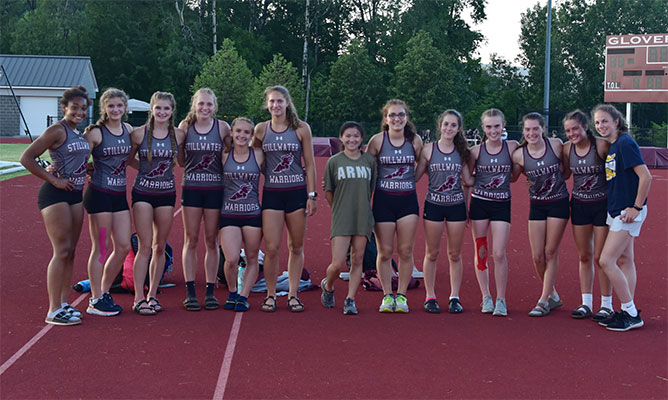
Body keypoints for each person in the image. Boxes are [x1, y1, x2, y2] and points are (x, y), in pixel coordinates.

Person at [20, 86, 91, 325]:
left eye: (83, 108)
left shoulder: (78, 132)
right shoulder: (56, 130)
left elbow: (74, 161)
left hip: (75, 195)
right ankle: (52, 309)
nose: (79, 112)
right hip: (55, 196)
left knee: (70, 251)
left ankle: (63, 303)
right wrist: (54, 179)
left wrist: (87, 168)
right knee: (61, 251)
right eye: (75, 107)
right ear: (64, 108)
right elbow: (26, 158)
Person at [252, 86, 317, 312]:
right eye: (272, 102)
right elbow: (253, 161)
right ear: (267, 104)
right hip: (272, 194)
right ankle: (270, 295)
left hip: (297, 193)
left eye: (279, 101)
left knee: (296, 246)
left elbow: (309, 164)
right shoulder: (260, 130)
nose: (275, 106)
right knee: (271, 248)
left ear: (287, 103)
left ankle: (292, 294)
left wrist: (312, 195)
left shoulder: (301, 129)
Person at [593, 104, 651, 331]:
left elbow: (645, 177)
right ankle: (628, 310)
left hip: (627, 212)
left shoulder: (625, 143)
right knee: (625, 260)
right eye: (597, 122)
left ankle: (631, 312)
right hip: (617, 210)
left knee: (606, 260)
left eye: (605, 121)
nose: (601, 126)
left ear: (616, 121)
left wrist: (636, 207)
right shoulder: (614, 145)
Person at [127, 91, 186, 315]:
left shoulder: (178, 135)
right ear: (152, 109)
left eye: (166, 109)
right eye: (158, 108)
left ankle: (152, 295)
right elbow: (127, 158)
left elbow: (181, 161)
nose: (162, 112)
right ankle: (138, 298)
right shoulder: (138, 134)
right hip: (143, 193)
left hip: (166, 194)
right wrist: (145, 170)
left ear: (172, 111)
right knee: (144, 246)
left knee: (159, 247)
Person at [366, 99, 423, 313]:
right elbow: (365, 167)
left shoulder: (414, 141)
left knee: (406, 251)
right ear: (385, 118)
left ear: (407, 117)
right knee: (385, 251)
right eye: (392, 115)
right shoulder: (377, 141)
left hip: (407, 201)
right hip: (383, 201)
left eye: (401, 115)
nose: (397, 119)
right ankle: (387, 296)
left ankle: (402, 296)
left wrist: (411, 180)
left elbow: (423, 164)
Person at [177, 88, 230, 311]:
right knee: (191, 239)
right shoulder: (185, 127)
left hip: (215, 190)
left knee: (211, 240)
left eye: (209, 104)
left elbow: (229, 156)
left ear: (215, 107)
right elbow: (180, 161)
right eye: (201, 104)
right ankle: (190, 290)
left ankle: (210, 289)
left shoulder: (223, 128)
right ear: (194, 105)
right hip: (191, 188)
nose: (205, 108)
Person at [415, 110, 473, 314]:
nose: (449, 128)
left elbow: (469, 180)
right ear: (439, 125)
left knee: (455, 254)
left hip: (456, 206)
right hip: (434, 205)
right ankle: (430, 295)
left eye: (453, 125)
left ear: (458, 129)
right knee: (432, 253)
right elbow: (414, 177)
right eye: (446, 124)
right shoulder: (428, 150)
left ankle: (454, 296)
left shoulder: (462, 152)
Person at [512, 112, 569, 317]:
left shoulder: (555, 145)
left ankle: (543, 300)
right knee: (537, 256)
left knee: (550, 252)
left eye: (535, 128)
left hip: (558, 204)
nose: (532, 133)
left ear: (543, 129)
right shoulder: (519, 155)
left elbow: (566, 170)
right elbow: (511, 177)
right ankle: (552, 294)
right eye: (527, 129)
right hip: (536, 205)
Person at [82, 88, 133, 316]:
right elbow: (78, 160)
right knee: (101, 248)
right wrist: (59, 169)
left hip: (119, 195)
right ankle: (95, 300)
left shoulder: (128, 130)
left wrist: (157, 170)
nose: (115, 109)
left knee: (123, 246)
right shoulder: (95, 133)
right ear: (104, 108)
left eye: (119, 106)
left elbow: (132, 161)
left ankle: (103, 292)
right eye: (111, 106)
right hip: (100, 194)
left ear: (125, 108)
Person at [467, 109, 520, 317]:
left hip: (501, 204)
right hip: (480, 203)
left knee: (499, 253)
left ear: (503, 126)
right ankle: (486, 297)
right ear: (483, 128)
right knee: (481, 252)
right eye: (489, 127)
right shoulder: (476, 151)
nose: (493, 130)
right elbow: (467, 179)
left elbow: (515, 175)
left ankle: (501, 299)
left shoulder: (512, 147)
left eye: (497, 126)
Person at [561, 110, 613, 320]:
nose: (572, 133)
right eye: (568, 130)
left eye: (575, 129)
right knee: (584, 256)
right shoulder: (566, 149)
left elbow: (614, 173)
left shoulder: (601, 146)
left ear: (585, 127)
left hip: (602, 205)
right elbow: (565, 174)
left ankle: (606, 304)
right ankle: (586, 303)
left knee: (601, 258)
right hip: (580, 205)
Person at [321, 122, 377, 315]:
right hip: (342, 216)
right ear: (341, 138)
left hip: (362, 216)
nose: (352, 139)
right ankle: (328, 286)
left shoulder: (369, 161)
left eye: (356, 136)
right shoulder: (334, 161)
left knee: (357, 258)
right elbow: (328, 191)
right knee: (337, 264)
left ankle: (350, 299)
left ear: (362, 139)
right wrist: (339, 208)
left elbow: (371, 189)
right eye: (348, 136)